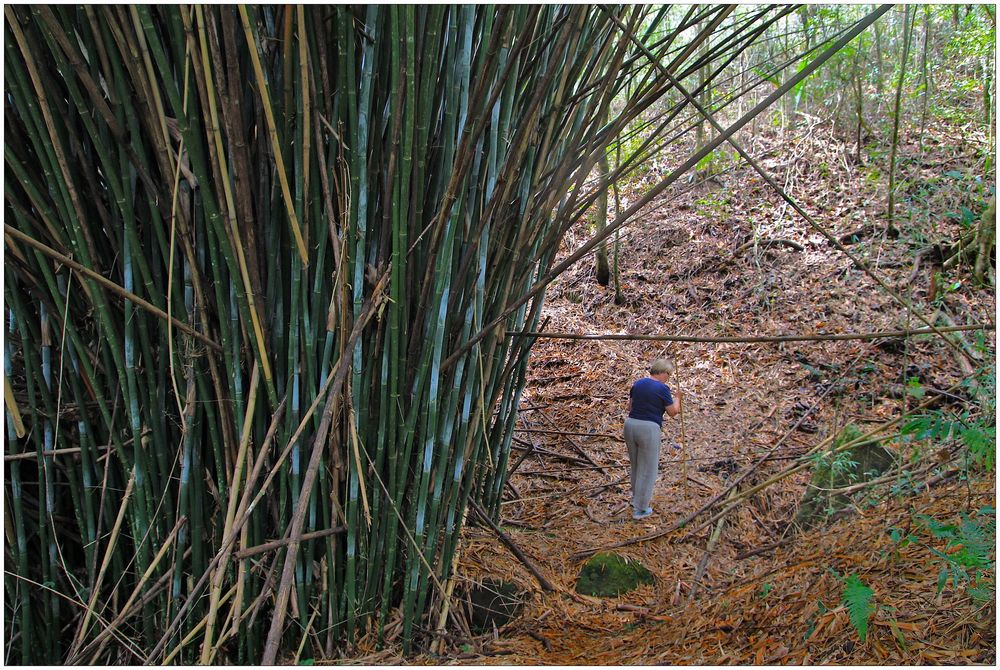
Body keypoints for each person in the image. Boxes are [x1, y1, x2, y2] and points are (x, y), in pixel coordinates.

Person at [624, 358, 680, 520]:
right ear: (662, 372)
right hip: (648, 428)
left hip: (630, 425)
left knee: (636, 464)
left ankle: (636, 499)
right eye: (668, 374)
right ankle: (641, 509)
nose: (668, 378)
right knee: (648, 468)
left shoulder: (638, 384)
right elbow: (672, 412)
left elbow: (630, 407)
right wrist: (678, 398)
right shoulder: (662, 388)